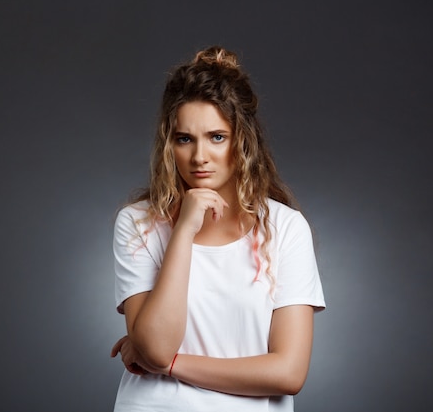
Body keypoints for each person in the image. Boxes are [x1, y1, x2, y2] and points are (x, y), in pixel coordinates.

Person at [110, 46, 325, 412]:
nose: (199, 157)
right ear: (169, 145)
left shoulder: (286, 228)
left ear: (243, 142)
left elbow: (288, 373)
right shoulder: (138, 223)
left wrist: (169, 365)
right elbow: (158, 344)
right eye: (184, 139)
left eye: (217, 137)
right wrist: (183, 231)